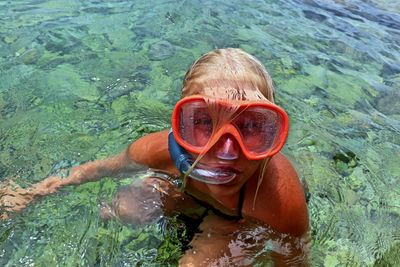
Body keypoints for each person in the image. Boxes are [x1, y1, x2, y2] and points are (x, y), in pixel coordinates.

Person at [0, 48, 309, 266]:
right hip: (188, 193)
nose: (226, 150)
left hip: (239, 220)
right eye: (202, 122)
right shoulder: (159, 151)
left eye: (252, 126)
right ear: (181, 126)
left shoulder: (279, 200)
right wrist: (32, 194)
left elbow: (294, 260)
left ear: (274, 133)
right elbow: (99, 170)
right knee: (123, 208)